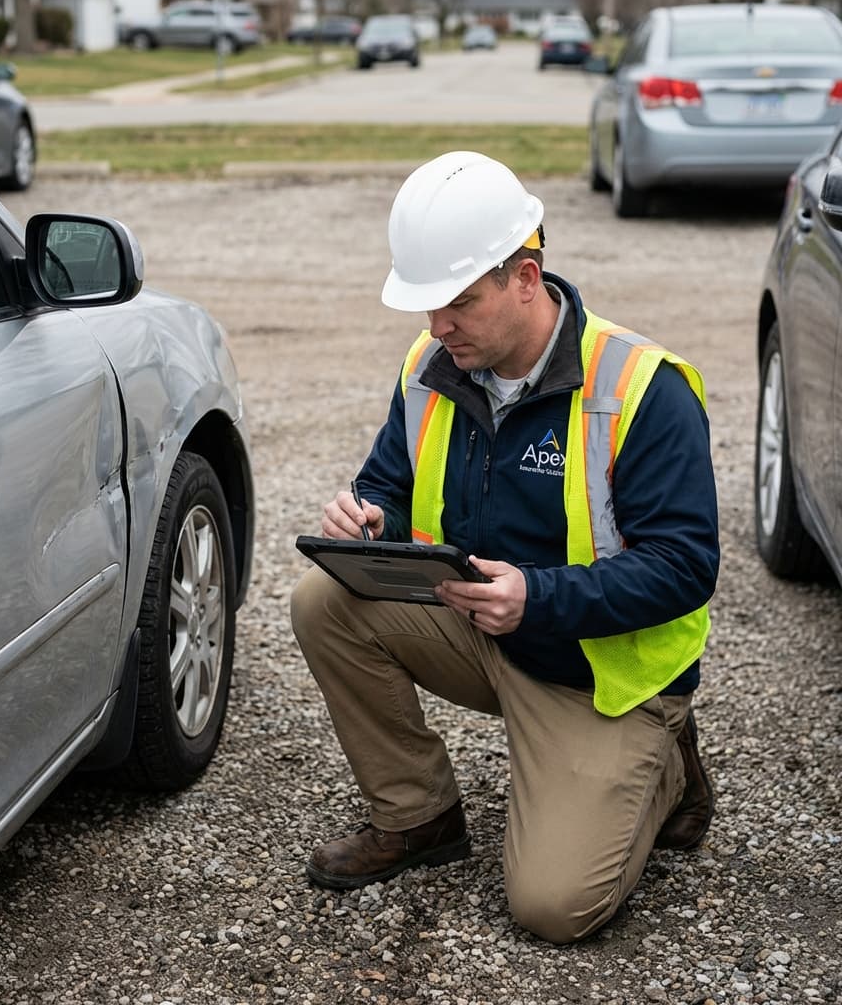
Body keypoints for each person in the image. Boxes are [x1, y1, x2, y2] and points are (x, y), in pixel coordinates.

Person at [290, 151, 719, 945]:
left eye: (458, 302)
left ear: (527, 277)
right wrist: (368, 518)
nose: (436, 326)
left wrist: (539, 599)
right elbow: (387, 479)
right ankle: (418, 816)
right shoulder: (433, 366)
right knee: (324, 600)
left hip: (598, 672)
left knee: (553, 909)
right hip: (487, 630)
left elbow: (687, 566)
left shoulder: (640, 388)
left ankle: (665, 767)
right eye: (426, 307)